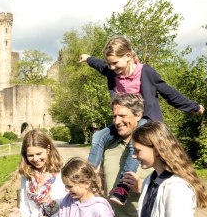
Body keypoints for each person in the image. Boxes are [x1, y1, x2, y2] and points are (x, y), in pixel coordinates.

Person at [79, 36, 204, 206]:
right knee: (99, 136)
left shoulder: (146, 72)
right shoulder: (111, 71)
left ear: (129, 55)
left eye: (115, 63)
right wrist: (88, 59)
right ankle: (86, 177)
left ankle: (123, 186)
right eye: (110, 64)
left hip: (147, 120)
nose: (112, 68)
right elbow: (100, 65)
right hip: (125, 118)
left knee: (135, 141)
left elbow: (168, 92)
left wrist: (193, 107)